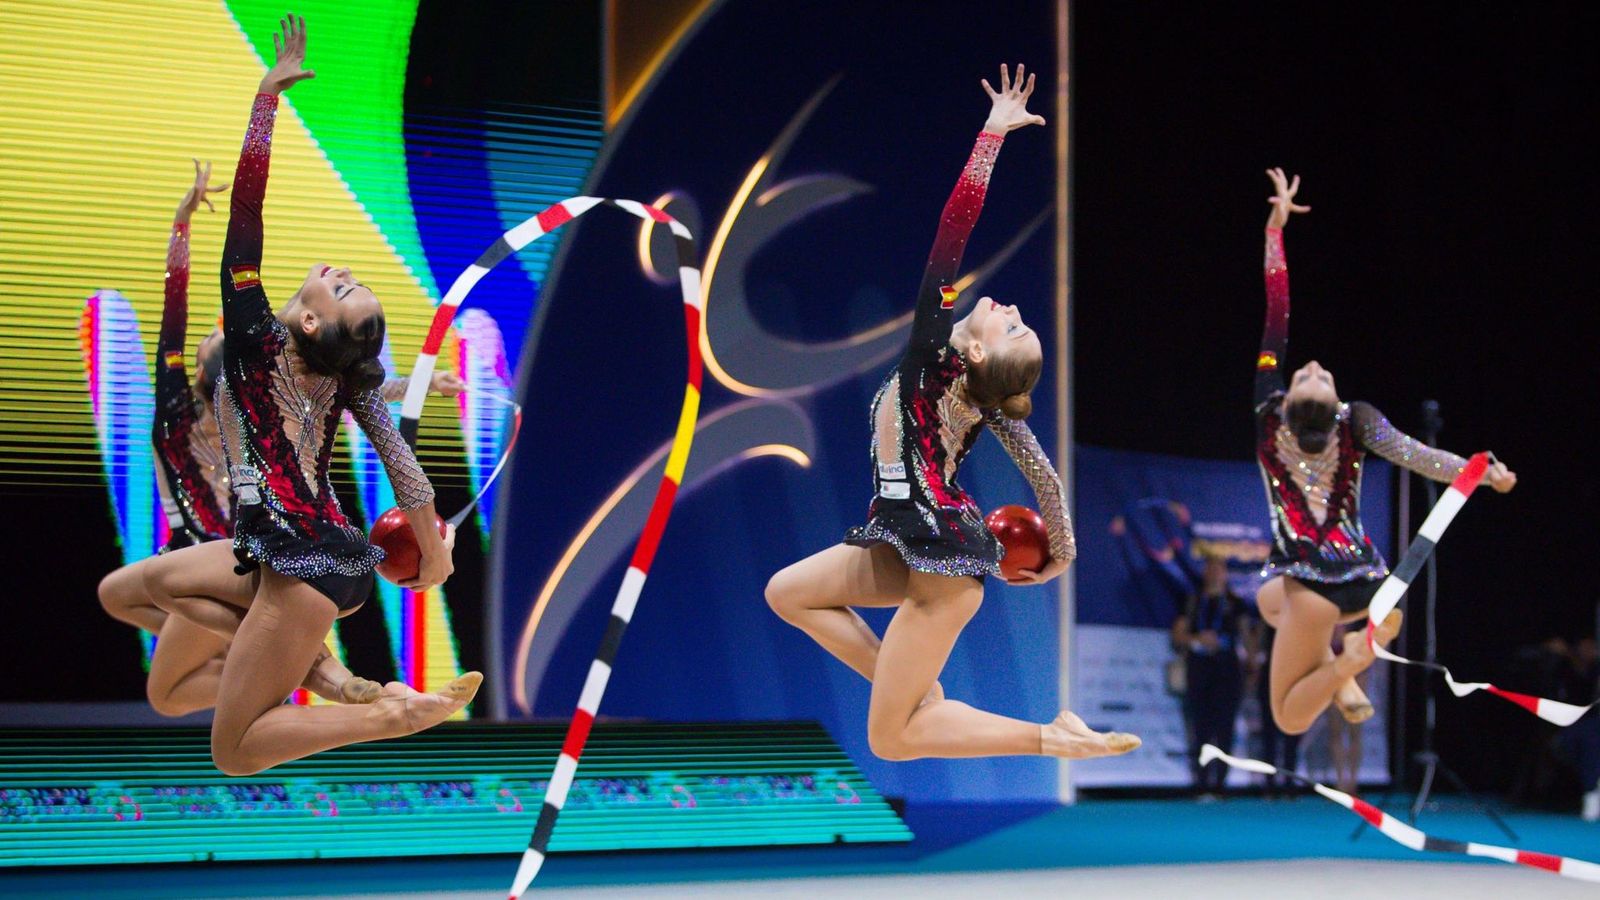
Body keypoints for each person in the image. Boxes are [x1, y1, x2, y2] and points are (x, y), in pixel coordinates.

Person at [765, 64, 1138, 763]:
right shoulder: (977, 395)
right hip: (906, 539)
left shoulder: (934, 357)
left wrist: (991, 135)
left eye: (1012, 327)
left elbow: (953, 229)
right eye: (1021, 322)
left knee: (892, 740)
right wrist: (1062, 551)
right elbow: (1046, 478)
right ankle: (914, 692)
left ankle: (1046, 736)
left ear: (972, 353)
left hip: (937, 555)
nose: (1012, 310)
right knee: (788, 592)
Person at [139, 15, 478, 776]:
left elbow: (246, 221)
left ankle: (386, 713)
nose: (339, 271)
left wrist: (265, 105)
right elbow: (406, 473)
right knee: (157, 580)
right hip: (329, 555)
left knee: (235, 753)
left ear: (312, 320)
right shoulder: (346, 379)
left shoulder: (255, 339)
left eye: (343, 288)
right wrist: (435, 558)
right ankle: (321, 674)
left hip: (304, 568)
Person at [95, 162, 463, 717]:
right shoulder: (188, 404)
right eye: (217, 337)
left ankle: (287, 666)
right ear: (207, 372)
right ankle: (265, 656)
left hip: (232, 553)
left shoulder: (252, 400)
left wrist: (416, 383)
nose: (220, 333)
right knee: (115, 596)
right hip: (207, 549)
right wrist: (181, 229)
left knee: (165, 694)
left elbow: (346, 391)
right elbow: (177, 317)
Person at [1250, 168, 1516, 736]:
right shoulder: (1359, 421)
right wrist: (1480, 472)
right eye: (1318, 376)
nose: (1315, 367)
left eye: (1311, 376)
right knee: (1267, 601)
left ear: (1287, 399)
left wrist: (1276, 233)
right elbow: (1419, 455)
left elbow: (1278, 314)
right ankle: (1339, 665)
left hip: (1317, 590)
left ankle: (1347, 662)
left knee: (1288, 717)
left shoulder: (1265, 415)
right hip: (1368, 580)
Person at [1171, 555, 1248, 797]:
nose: (1215, 573)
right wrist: (1197, 640)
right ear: (1204, 572)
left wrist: (1253, 662)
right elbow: (1178, 635)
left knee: (1225, 728)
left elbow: (1248, 638)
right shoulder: (1192, 601)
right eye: (1210, 568)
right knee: (1200, 728)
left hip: (1228, 670)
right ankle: (1201, 783)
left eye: (1219, 569)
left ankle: (1220, 785)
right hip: (1199, 668)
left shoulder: (1236, 603)